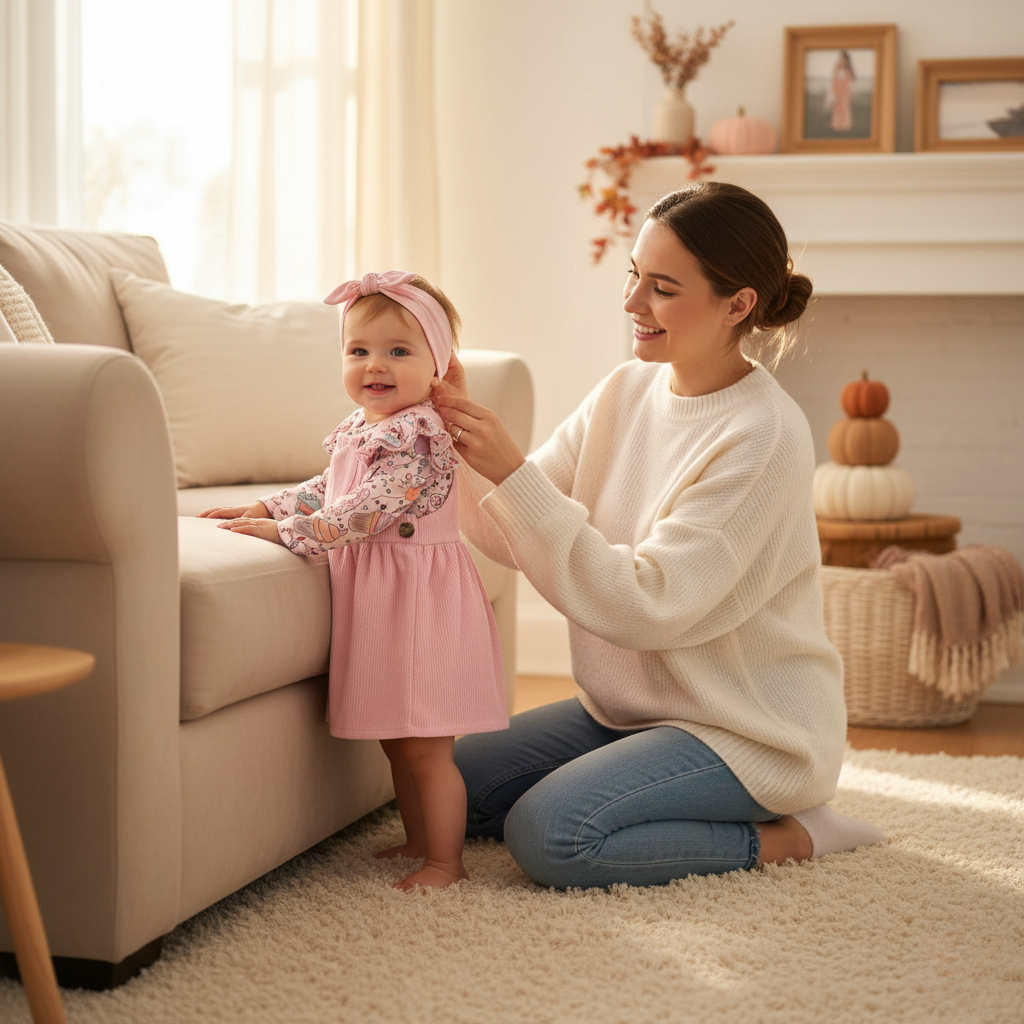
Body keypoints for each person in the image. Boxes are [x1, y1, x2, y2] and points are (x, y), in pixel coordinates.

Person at [432, 181, 885, 890]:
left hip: (745, 730)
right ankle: (641, 786)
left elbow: (647, 605)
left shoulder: (762, 436)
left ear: (737, 305)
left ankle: (795, 835)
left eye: (663, 288)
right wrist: (448, 433)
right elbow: (504, 528)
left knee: (550, 835)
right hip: (626, 710)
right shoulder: (624, 391)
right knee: (448, 787)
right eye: (633, 275)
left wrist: (511, 470)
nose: (631, 304)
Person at [197, 271, 508, 891]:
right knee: (397, 741)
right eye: (359, 350)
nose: (376, 366)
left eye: (399, 351)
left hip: (418, 601)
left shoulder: (419, 434)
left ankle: (447, 861)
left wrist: (292, 534)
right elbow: (328, 488)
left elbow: (369, 508)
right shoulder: (362, 427)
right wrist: (268, 508)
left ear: (439, 366)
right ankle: (420, 840)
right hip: (383, 596)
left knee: (425, 745)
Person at [827, 49, 855, 132]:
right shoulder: (837, 69)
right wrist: (833, 93)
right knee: (837, 110)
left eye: (844, 59)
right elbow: (834, 81)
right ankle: (837, 126)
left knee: (845, 109)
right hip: (837, 92)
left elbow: (849, 83)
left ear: (847, 60)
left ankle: (845, 126)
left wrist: (849, 93)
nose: (842, 61)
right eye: (841, 58)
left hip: (845, 93)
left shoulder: (848, 71)